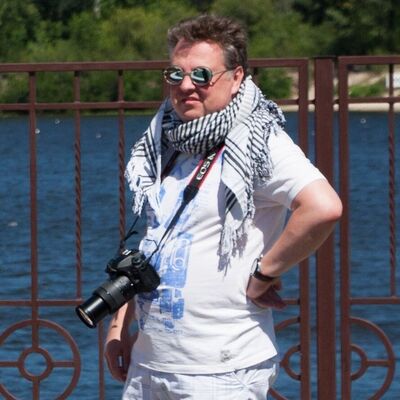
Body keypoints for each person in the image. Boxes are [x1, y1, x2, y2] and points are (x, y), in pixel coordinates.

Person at [105, 14, 342, 400]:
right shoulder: (166, 140)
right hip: (150, 363)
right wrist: (119, 326)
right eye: (175, 74)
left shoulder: (258, 142)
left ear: (236, 78)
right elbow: (154, 242)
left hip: (220, 368)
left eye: (201, 75)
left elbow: (323, 207)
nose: (186, 86)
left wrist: (264, 274)